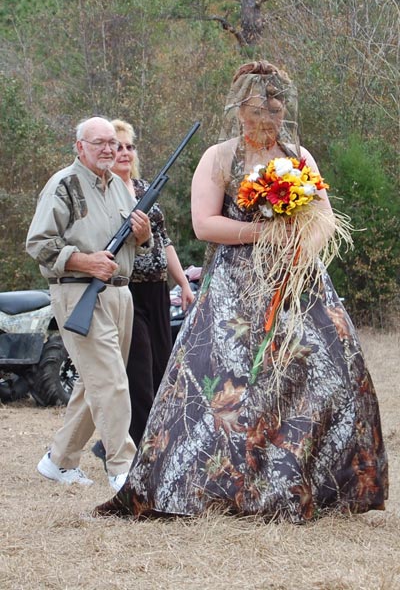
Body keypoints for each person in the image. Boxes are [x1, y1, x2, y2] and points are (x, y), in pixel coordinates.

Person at [95, 62, 388, 521]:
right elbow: (204, 223)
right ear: (239, 112)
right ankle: (222, 485)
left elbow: (324, 216)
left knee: (327, 368)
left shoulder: (300, 156)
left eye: (273, 112)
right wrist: (264, 236)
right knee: (223, 384)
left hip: (297, 281)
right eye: (256, 112)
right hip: (236, 286)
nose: (265, 121)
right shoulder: (219, 157)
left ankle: (305, 479)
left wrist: (299, 249)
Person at [26, 116, 152, 492]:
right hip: (78, 290)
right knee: (111, 382)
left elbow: (133, 241)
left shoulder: (119, 187)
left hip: (118, 293)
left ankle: (59, 461)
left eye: (113, 143)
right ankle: (123, 468)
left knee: (93, 383)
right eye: (98, 143)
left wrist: (142, 235)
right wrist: (86, 261)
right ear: (79, 147)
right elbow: (39, 244)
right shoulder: (63, 185)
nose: (109, 149)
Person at [92, 118, 194, 461]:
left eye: (128, 146)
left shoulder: (145, 188)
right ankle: (139, 449)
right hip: (125, 290)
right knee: (137, 372)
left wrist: (181, 283)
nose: (123, 152)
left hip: (156, 290)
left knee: (160, 367)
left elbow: (164, 244)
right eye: (116, 146)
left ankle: (120, 442)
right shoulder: (103, 193)